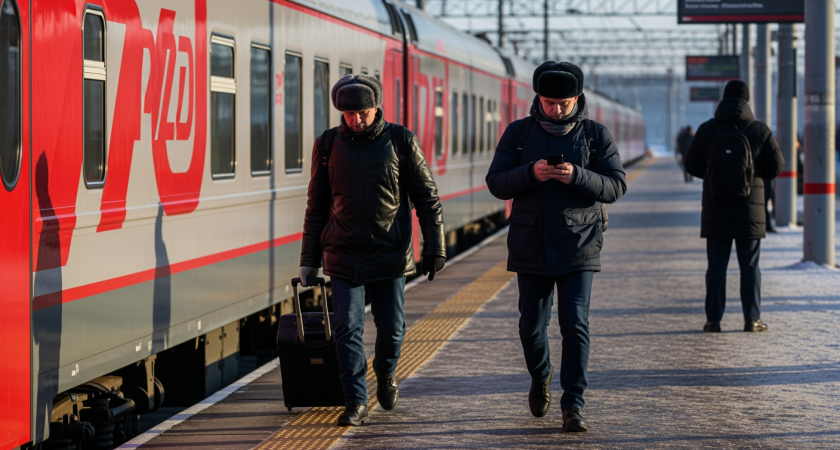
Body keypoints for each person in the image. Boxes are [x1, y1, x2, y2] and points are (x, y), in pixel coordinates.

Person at [486, 61, 627, 433]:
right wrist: (530, 173)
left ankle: (573, 404)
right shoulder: (518, 133)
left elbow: (616, 186)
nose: (557, 109)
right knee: (530, 327)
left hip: (579, 244)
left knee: (574, 324)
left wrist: (577, 176)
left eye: (564, 103)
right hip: (530, 243)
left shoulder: (595, 134)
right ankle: (541, 373)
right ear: (538, 98)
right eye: (550, 103)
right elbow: (496, 182)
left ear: (577, 99)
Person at [299, 74, 446, 426]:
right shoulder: (327, 145)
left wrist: (435, 247)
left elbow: (427, 198)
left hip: (390, 253)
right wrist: (308, 260)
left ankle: (385, 370)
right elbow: (316, 206)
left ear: (377, 107)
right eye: (349, 114)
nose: (356, 120)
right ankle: (356, 401)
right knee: (346, 329)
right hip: (343, 254)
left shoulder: (401, 140)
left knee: (392, 329)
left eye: (362, 112)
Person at [684, 80, 784, 333]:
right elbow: (777, 166)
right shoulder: (760, 130)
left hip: (715, 210)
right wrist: (754, 178)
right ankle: (752, 319)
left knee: (716, 267)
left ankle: (713, 320)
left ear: (723, 99)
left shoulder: (707, 129)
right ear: (747, 101)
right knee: (749, 267)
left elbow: (690, 164)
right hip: (750, 211)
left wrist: (713, 176)